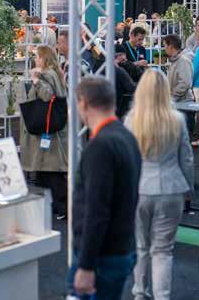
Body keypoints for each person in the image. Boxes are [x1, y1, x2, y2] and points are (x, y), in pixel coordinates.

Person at [69, 76, 141, 300]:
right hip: (121, 246)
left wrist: (86, 265)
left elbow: (96, 211)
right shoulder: (126, 136)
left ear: (83, 103)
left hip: (101, 257)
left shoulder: (100, 146)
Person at [125, 70, 193, 300]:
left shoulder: (131, 120)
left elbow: (126, 159)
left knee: (141, 245)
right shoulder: (177, 120)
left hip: (139, 189)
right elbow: (187, 158)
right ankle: (162, 296)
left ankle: (139, 293)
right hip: (172, 188)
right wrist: (189, 188)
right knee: (163, 250)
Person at [21, 46, 68, 219]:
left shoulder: (46, 75)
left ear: (44, 58)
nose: (35, 59)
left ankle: (61, 207)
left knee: (50, 170)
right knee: (46, 170)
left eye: (37, 56)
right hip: (49, 128)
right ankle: (54, 206)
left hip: (45, 128)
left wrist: (35, 80)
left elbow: (47, 95)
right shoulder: (55, 74)